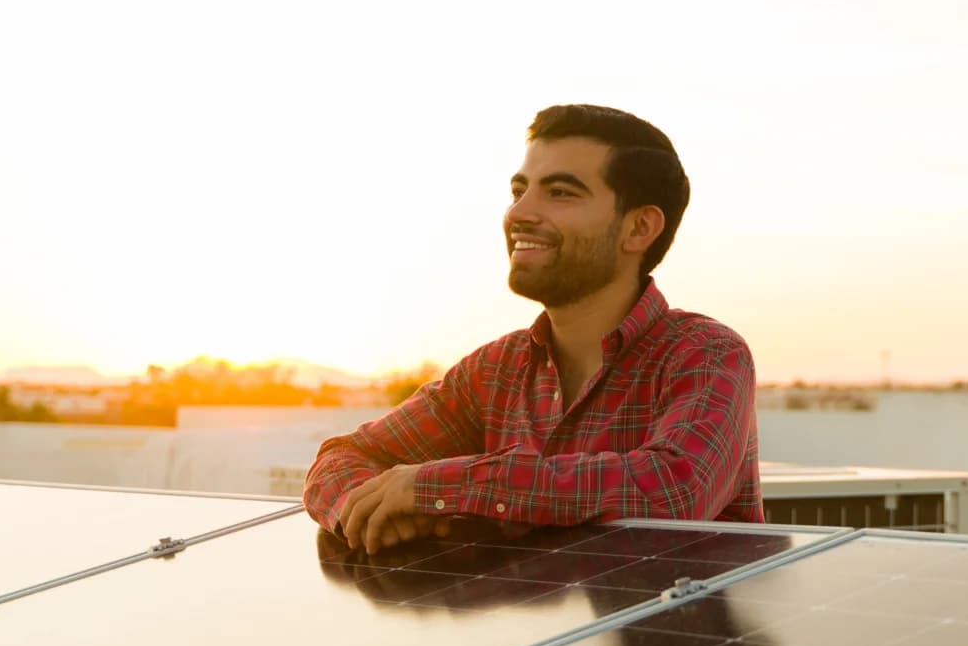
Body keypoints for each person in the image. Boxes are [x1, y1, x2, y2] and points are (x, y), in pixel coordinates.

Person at [305, 104, 762, 552]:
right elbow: (340, 459)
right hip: (528, 631)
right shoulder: (496, 371)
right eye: (518, 191)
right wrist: (364, 508)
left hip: (676, 623)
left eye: (560, 192)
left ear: (639, 228)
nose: (520, 213)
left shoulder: (706, 354)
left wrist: (434, 486)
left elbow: (673, 489)